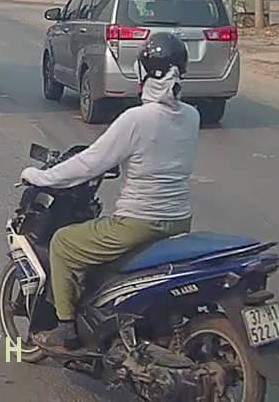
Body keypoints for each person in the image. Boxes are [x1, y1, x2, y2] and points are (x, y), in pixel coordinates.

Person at [20, 32, 198, 353]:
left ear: (144, 72)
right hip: (179, 221)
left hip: (138, 223)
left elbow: (89, 163)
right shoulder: (191, 116)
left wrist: (41, 177)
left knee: (64, 243)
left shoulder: (136, 119)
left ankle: (65, 329)